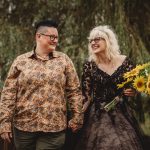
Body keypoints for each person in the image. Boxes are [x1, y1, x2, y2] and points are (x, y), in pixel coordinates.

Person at [0, 19, 83, 150]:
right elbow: (8, 93)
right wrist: (4, 123)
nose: (55, 40)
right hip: (23, 127)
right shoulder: (20, 61)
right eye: (52, 37)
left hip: (54, 128)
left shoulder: (64, 60)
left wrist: (77, 117)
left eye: (57, 37)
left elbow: (74, 91)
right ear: (38, 36)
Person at [75, 25, 144, 150]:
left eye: (97, 39)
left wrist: (134, 91)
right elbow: (86, 96)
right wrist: (77, 115)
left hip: (122, 112)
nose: (93, 42)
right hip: (98, 114)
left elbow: (136, 86)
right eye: (91, 40)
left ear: (108, 41)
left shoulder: (125, 62)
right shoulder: (89, 66)